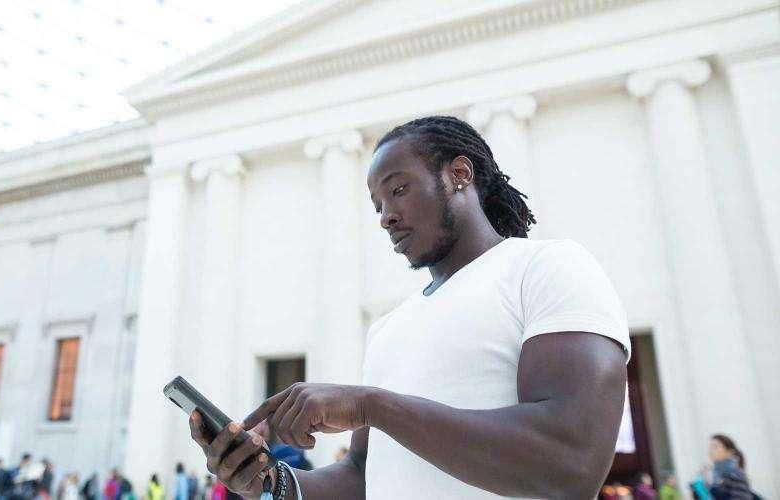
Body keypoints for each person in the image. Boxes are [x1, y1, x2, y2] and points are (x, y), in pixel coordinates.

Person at [188, 115, 631, 498]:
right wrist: (269, 482)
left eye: (398, 190)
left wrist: (373, 406)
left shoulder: (546, 267)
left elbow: (572, 465)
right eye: (378, 205)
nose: (385, 216)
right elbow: (364, 478)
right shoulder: (387, 329)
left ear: (459, 174)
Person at [706, 434, 754, 500]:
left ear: (730, 452)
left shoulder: (735, 473)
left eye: (715, 447)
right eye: (710, 447)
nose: (710, 451)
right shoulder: (713, 476)